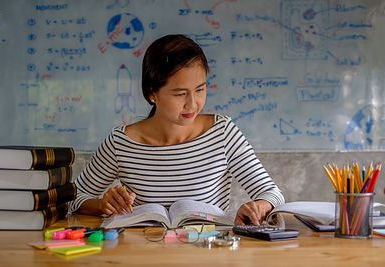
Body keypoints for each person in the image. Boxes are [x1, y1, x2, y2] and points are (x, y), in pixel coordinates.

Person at [68, 34, 284, 225]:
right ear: (152, 93)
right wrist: (103, 205)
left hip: (209, 252)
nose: (193, 104)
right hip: (143, 254)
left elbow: (272, 193)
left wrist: (259, 206)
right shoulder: (120, 142)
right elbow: (74, 198)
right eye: (180, 94)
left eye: (200, 89)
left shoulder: (223, 133)